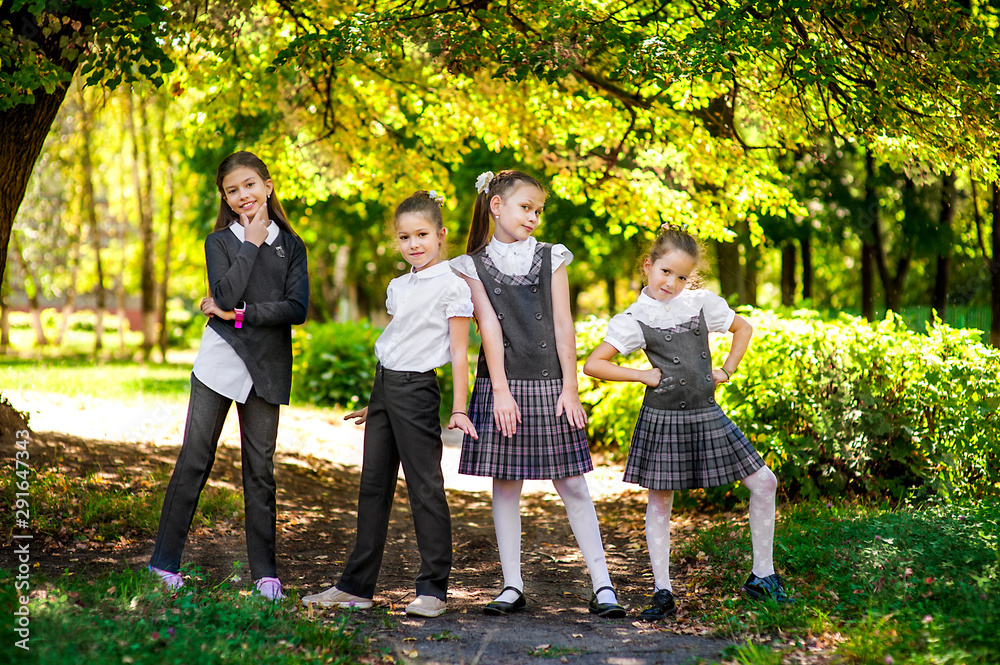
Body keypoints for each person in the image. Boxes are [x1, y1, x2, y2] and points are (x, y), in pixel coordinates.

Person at [582, 225, 791, 620]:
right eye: (665, 272)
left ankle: (762, 576)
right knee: (661, 501)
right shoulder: (633, 318)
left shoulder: (699, 304)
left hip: (706, 412)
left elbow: (743, 327)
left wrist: (726, 370)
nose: (671, 282)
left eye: (680, 276)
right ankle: (663, 591)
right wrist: (642, 375)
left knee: (764, 482)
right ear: (648, 266)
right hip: (662, 417)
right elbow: (595, 364)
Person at [451, 170, 625, 618]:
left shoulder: (553, 257)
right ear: (496, 206)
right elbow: (487, 327)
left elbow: (563, 325)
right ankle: (511, 585)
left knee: (572, 483)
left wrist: (571, 387)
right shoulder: (470, 265)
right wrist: (502, 393)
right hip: (501, 385)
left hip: (552, 383)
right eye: (525, 207)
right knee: (506, 486)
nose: (533, 217)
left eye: (538, 210)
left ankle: (603, 585)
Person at [301, 190, 476, 618]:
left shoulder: (453, 286)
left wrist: (459, 407)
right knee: (373, 488)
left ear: (440, 235)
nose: (413, 244)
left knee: (424, 488)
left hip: (418, 392)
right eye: (404, 237)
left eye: (421, 235)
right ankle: (356, 587)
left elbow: (458, 353)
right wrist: (375, 402)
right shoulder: (398, 286)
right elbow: (394, 346)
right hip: (385, 390)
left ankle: (433, 590)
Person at [149, 151, 309, 600]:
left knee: (261, 472)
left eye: (249, 185)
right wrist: (251, 242)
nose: (243, 196)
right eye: (232, 190)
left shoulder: (293, 245)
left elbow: (295, 309)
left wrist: (239, 314)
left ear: (268, 185)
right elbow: (222, 291)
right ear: (225, 196)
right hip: (219, 360)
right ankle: (163, 564)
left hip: (268, 366)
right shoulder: (219, 242)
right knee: (194, 460)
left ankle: (266, 575)